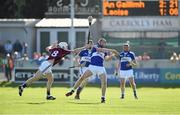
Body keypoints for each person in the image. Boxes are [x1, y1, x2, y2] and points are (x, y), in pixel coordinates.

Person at [18, 42, 90, 100]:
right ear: (63, 46)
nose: (66, 48)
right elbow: (75, 51)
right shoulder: (62, 50)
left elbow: (47, 48)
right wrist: (84, 47)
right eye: (66, 47)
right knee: (36, 77)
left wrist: (52, 45)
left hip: (47, 65)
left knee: (51, 79)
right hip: (47, 65)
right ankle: (22, 86)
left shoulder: (55, 49)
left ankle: (48, 95)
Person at [65, 38, 118, 103]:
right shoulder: (95, 47)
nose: (103, 43)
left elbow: (106, 59)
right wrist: (112, 50)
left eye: (104, 42)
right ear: (99, 42)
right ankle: (72, 91)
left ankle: (103, 98)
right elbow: (99, 49)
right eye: (102, 42)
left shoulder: (105, 51)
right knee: (82, 78)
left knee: (104, 82)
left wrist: (111, 56)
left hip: (100, 68)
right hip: (92, 67)